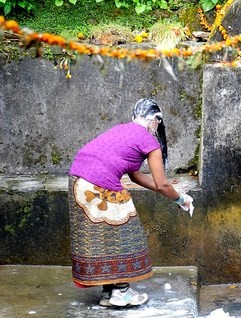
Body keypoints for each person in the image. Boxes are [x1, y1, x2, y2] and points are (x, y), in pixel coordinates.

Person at [68, 98, 192, 307]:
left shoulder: (124, 130)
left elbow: (136, 177)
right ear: (155, 120)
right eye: (158, 122)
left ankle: (109, 293)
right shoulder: (149, 141)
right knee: (127, 234)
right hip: (99, 184)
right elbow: (162, 184)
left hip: (77, 180)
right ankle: (121, 292)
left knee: (107, 237)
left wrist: (174, 192)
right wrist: (181, 199)